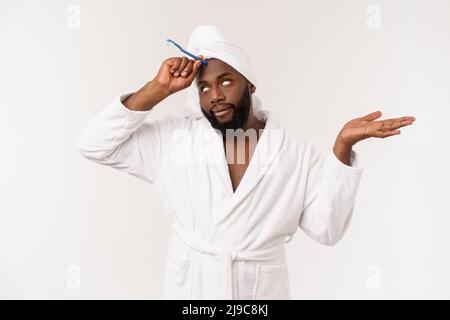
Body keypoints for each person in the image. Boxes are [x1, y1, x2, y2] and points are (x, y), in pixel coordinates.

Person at [77, 25, 416, 299]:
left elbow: (327, 229)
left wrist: (342, 147)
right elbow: (94, 145)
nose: (216, 96)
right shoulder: (175, 140)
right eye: (204, 88)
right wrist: (156, 89)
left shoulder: (292, 152)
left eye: (226, 81)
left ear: (249, 83)